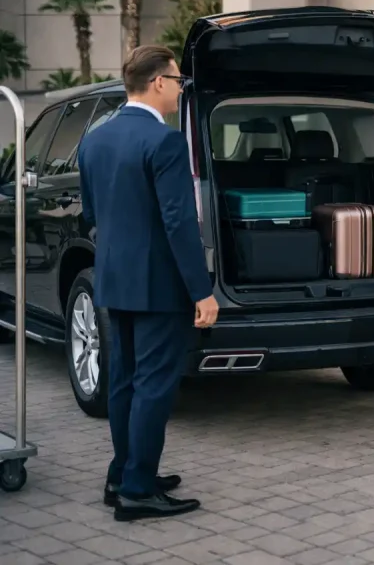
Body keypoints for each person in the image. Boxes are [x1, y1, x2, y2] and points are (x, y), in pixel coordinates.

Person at [79, 45, 220, 521]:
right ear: (159, 82)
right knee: (155, 386)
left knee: (124, 381)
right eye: (178, 82)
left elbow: (92, 215)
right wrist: (201, 290)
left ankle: (123, 473)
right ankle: (137, 489)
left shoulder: (95, 140)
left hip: (115, 280)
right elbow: (180, 223)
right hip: (159, 286)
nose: (180, 91)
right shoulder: (165, 142)